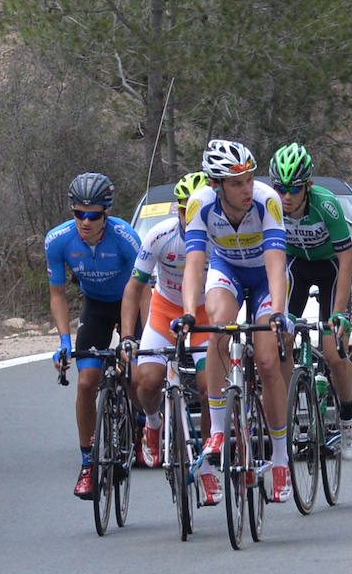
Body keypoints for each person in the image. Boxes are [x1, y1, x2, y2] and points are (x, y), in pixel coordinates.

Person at [176, 140, 294, 503]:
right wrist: (186, 312)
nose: (246, 188)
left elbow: (276, 261)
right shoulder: (199, 204)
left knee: (267, 359)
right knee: (218, 327)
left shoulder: (266, 199)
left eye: (248, 178)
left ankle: (278, 457)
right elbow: (195, 264)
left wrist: (277, 311)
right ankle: (216, 431)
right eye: (236, 182)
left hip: (263, 276)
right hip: (226, 269)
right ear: (217, 185)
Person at [118, 172, 222, 501]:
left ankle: (206, 466)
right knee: (146, 381)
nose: (188, 217)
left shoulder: (220, 236)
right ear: (176, 210)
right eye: (182, 210)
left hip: (206, 313)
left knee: (209, 390)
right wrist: (127, 336)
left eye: (194, 209)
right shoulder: (159, 236)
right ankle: (152, 421)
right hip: (166, 313)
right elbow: (134, 289)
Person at [45, 172, 141, 499]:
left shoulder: (126, 238)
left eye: (93, 215)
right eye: (78, 214)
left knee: (137, 375)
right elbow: (57, 294)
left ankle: (140, 423)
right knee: (87, 382)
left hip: (132, 300)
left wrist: (128, 338)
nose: (84, 221)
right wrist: (63, 343)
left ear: (106, 214)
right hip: (96, 306)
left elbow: (141, 290)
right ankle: (88, 464)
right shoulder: (58, 240)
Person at [269, 143, 352, 460]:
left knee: (335, 352)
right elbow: (274, 260)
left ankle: (348, 418)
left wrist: (338, 313)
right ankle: (294, 405)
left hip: (331, 268)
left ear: (307, 185)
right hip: (296, 267)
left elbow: (346, 258)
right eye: (280, 188)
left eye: (294, 188)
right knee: (279, 334)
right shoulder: (270, 208)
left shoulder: (327, 205)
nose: (286, 196)